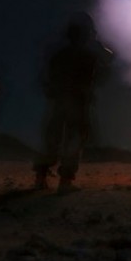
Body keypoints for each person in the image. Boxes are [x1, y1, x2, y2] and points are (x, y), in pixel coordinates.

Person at [32, 12, 113, 194]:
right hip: (77, 103)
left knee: (52, 139)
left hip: (60, 102)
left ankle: (40, 178)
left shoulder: (59, 55)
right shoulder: (87, 55)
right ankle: (65, 181)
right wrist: (97, 42)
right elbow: (108, 60)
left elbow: (48, 78)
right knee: (73, 141)